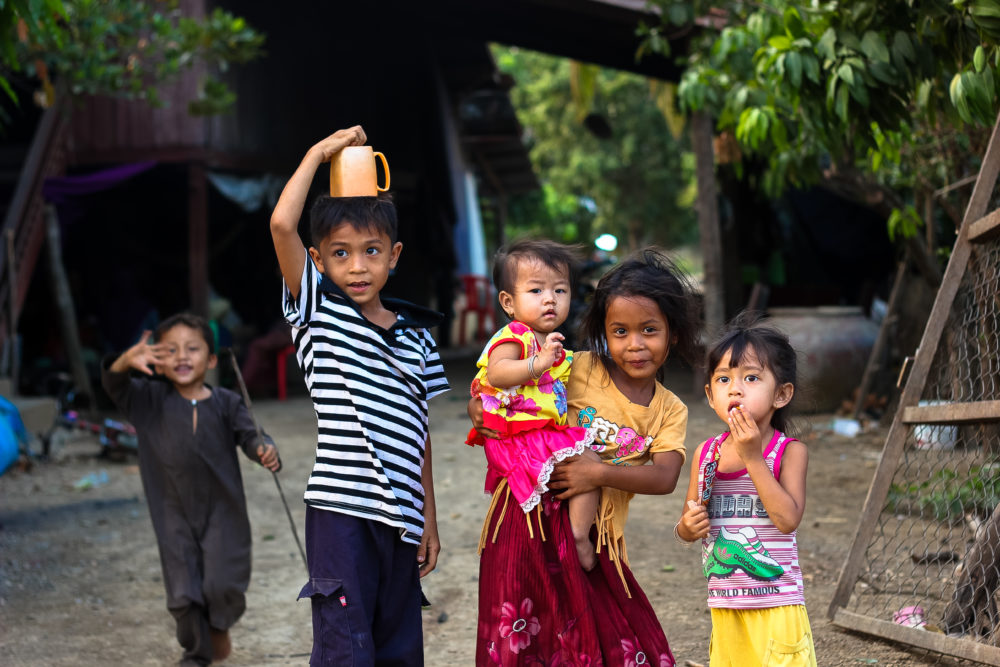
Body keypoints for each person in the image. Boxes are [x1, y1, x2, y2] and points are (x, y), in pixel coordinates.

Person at [270, 126, 449, 666]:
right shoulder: (317, 312)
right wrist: (317, 154)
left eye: (371, 251)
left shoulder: (417, 336)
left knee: (399, 646)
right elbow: (281, 224)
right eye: (340, 253)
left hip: (403, 519)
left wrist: (428, 518)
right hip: (340, 514)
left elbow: (418, 433)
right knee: (345, 646)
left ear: (393, 256)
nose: (357, 266)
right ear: (318, 260)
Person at [470, 248, 700, 666]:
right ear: (603, 334)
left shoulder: (670, 410)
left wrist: (597, 473)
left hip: (596, 538)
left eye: (649, 330)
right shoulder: (577, 367)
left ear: (673, 335)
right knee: (525, 629)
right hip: (529, 517)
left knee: (607, 634)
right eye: (620, 331)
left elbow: (664, 478)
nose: (635, 345)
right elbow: (508, 384)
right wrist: (478, 407)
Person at [101, 313, 281, 667]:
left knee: (222, 584)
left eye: (192, 349)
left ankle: (218, 625)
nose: (182, 356)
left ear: (212, 360)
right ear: (157, 360)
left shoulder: (227, 402)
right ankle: (196, 654)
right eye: (171, 350)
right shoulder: (146, 400)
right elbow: (115, 384)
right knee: (183, 592)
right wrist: (124, 361)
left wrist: (264, 450)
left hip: (223, 511)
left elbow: (251, 436)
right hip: (172, 512)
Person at [675, 313, 816, 666]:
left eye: (751, 378)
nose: (735, 389)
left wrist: (753, 458)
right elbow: (687, 523)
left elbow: (787, 520)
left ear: (781, 394)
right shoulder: (706, 454)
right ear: (710, 396)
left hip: (777, 605)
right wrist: (687, 528)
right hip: (725, 607)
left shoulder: (789, 452)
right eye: (723, 379)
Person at [467, 239, 597, 569]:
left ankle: (578, 532)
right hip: (519, 437)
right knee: (588, 461)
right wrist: (536, 364)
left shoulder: (552, 345)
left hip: (539, 434)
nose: (550, 298)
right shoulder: (515, 335)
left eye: (560, 290)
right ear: (508, 302)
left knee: (590, 464)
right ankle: (578, 536)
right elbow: (497, 373)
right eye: (536, 290)